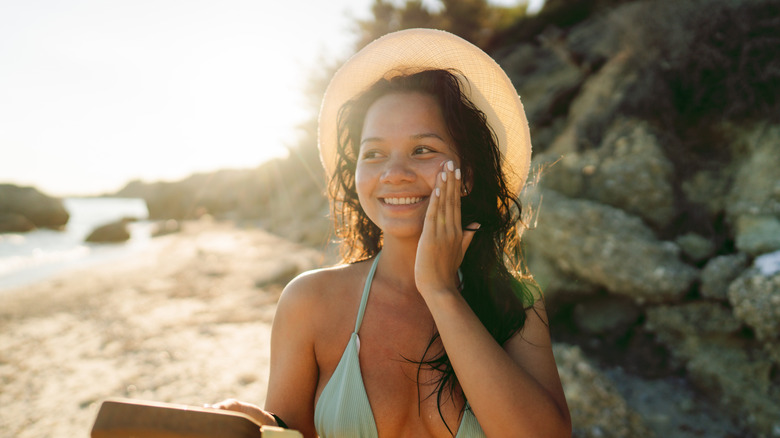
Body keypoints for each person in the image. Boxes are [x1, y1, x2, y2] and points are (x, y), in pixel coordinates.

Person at [210, 28, 571, 438]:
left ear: (467, 175)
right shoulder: (309, 302)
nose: (394, 174)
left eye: (423, 150)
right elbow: (292, 434)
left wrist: (441, 292)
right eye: (375, 153)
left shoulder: (516, 303)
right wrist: (259, 427)